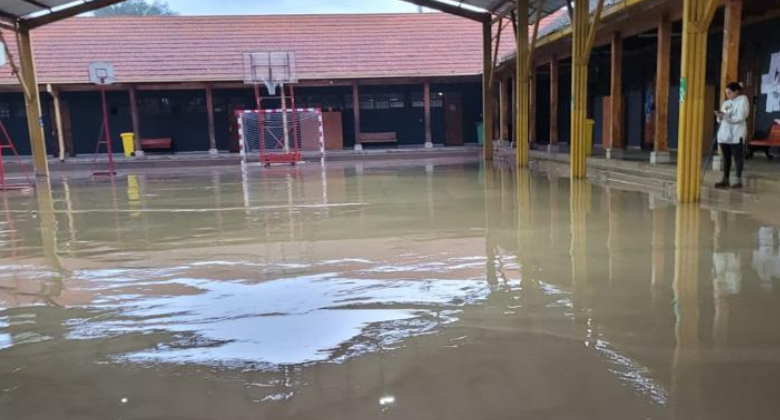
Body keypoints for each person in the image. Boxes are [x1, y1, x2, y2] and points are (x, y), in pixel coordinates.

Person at [715, 82, 750, 189]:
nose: (727, 95)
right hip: (724, 134)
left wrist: (726, 117)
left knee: (737, 157)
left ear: (736, 91)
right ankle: (725, 179)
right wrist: (719, 117)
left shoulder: (743, 101)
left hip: (736, 133)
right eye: (726, 93)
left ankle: (738, 180)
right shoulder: (726, 103)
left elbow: (740, 117)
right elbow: (720, 119)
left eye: (729, 92)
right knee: (726, 157)